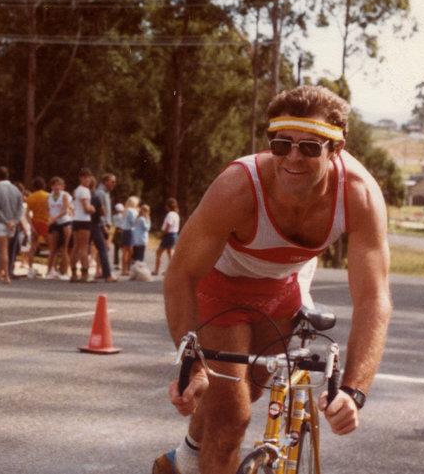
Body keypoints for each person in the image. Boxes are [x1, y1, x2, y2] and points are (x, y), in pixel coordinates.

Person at [155, 85, 392, 474]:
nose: (293, 158)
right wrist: (192, 364)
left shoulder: (359, 194)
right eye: (282, 145)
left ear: (337, 148)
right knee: (232, 420)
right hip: (220, 288)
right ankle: (196, 457)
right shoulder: (237, 186)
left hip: (285, 285)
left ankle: (185, 460)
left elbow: (373, 299)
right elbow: (180, 274)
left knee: (241, 394)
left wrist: (353, 390)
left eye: (310, 147)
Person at [0, 166, 24, 284]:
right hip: (13, 223)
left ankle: (6, 275)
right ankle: (0, 271)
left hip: (1, 222)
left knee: (2, 249)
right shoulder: (16, 189)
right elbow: (20, 207)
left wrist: (6, 221)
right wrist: (15, 221)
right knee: (6, 248)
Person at [88, 178, 117, 283]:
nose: (114, 184)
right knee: (103, 248)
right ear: (105, 181)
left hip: (97, 223)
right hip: (99, 224)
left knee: (99, 248)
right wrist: (104, 225)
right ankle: (106, 274)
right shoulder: (100, 193)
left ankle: (99, 271)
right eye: (112, 181)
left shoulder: (105, 193)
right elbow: (100, 211)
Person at [45, 176, 73, 279]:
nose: (56, 187)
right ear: (51, 186)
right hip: (54, 223)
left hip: (64, 222)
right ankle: (49, 271)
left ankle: (65, 272)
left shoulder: (64, 196)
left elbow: (65, 210)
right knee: (53, 249)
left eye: (59, 185)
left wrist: (55, 218)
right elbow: (48, 209)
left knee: (64, 249)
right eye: (54, 185)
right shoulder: (49, 197)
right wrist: (50, 218)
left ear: (62, 186)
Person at [154, 197, 180, 275]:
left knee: (158, 252)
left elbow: (168, 226)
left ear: (168, 206)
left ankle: (156, 270)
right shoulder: (176, 214)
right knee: (170, 253)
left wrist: (161, 235)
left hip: (168, 235)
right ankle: (171, 271)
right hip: (174, 235)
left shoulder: (170, 214)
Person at [120, 196, 140, 276]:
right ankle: (127, 267)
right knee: (130, 251)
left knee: (125, 251)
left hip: (125, 230)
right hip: (130, 231)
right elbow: (134, 222)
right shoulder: (132, 211)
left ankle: (124, 269)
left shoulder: (126, 210)